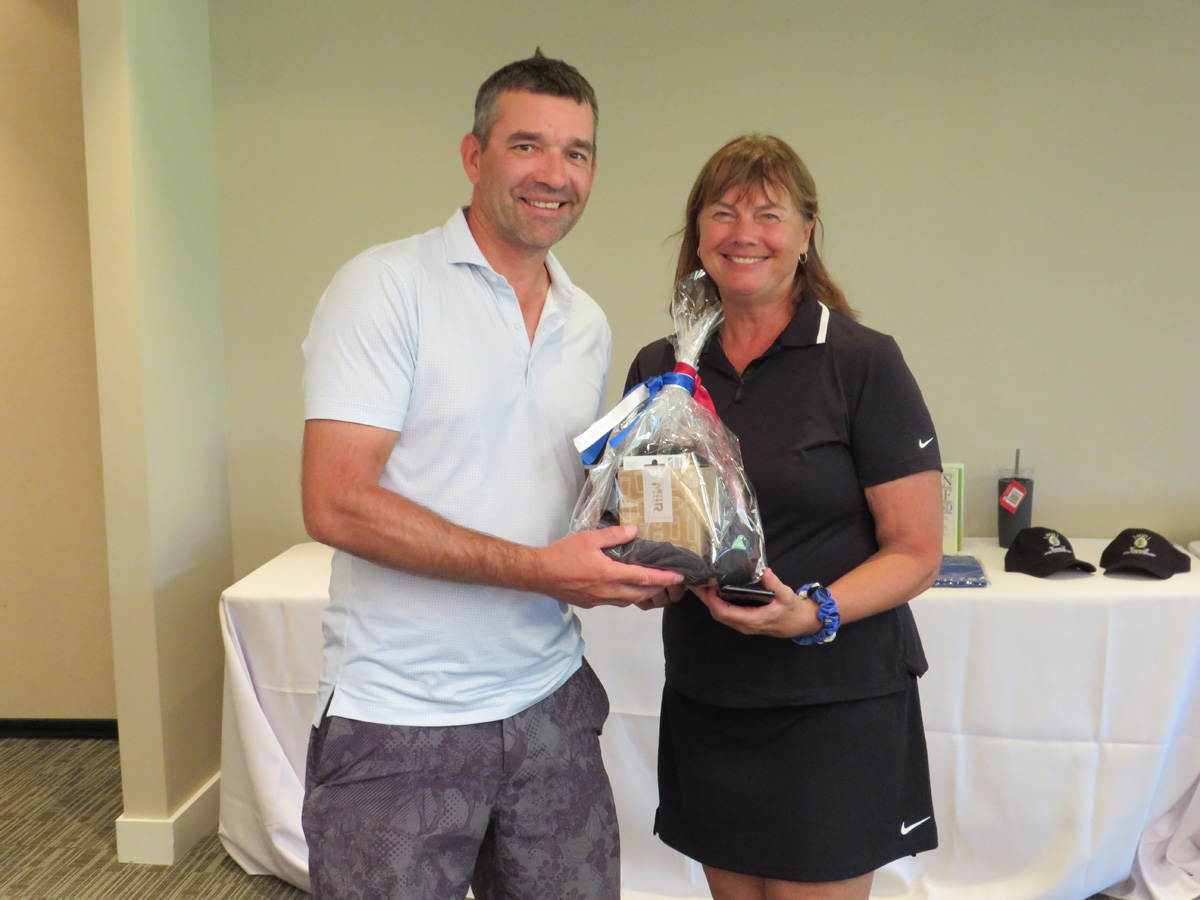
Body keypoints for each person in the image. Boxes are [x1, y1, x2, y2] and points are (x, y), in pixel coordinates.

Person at [299, 50, 681, 900]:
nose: (554, 174)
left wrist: (642, 557)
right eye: (527, 146)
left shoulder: (587, 321)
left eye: (576, 153)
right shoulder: (384, 288)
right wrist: (543, 571)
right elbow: (335, 503)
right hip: (401, 720)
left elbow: (549, 494)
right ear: (474, 157)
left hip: (550, 707)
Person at [626, 134, 944, 900]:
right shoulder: (662, 369)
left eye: (768, 214)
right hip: (710, 696)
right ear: (698, 232)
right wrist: (650, 576)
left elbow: (916, 550)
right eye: (723, 212)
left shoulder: (861, 362)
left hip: (834, 704)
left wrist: (813, 613)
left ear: (806, 232)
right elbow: (657, 527)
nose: (745, 233)